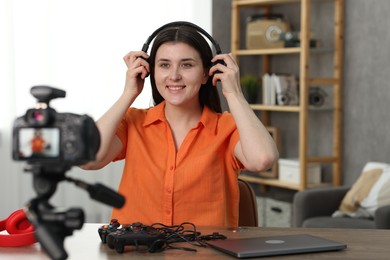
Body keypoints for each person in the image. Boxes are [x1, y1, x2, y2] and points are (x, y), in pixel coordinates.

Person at [82, 23, 279, 227]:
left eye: (186, 65)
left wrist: (233, 93)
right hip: (136, 253)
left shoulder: (226, 128)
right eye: (164, 65)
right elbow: (87, 158)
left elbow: (262, 159)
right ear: (150, 71)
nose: (174, 75)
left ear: (206, 73)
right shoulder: (133, 122)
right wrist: (128, 94)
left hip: (204, 254)